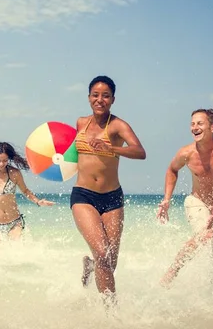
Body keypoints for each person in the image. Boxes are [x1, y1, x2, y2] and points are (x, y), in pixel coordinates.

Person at [71, 75, 146, 305]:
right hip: (83, 196)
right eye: (95, 95)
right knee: (104, 254)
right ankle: (111, 314)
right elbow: (69, 153)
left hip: (113, 197)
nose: (100, 99)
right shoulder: (80, 123)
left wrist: (110, 147)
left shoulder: (118, 125)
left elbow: (140, 152)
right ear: (89, 98)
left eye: (105, 95)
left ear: (113, 99)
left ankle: (91, 265)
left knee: (109, 262)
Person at [157, 108, 213, 286]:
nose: (195, 127)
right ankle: (172, 272)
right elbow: (172, 170)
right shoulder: (186, 153)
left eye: (200, 123)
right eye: (192, 124)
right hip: (197, 201)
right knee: (204, 235)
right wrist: (167, 199)